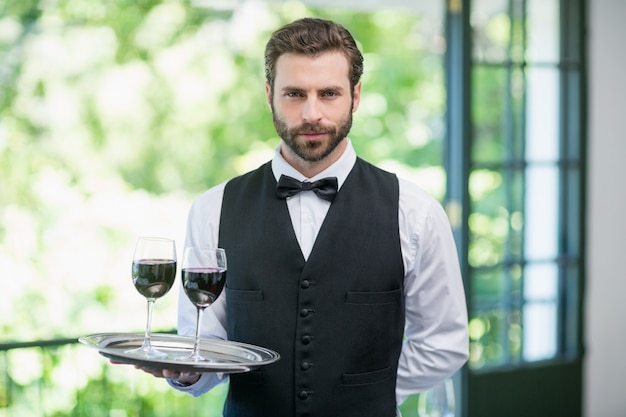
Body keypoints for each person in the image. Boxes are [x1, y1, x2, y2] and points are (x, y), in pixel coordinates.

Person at [138, 17, 468, 417]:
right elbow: (203, 343)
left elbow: (445, 343)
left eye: (329, 93)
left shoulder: (415, 212)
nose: (312, 113)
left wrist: (371, 392)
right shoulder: (213, 208)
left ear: (356, 95)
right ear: (269, 95)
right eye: (294, 94)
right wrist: (185, 373)